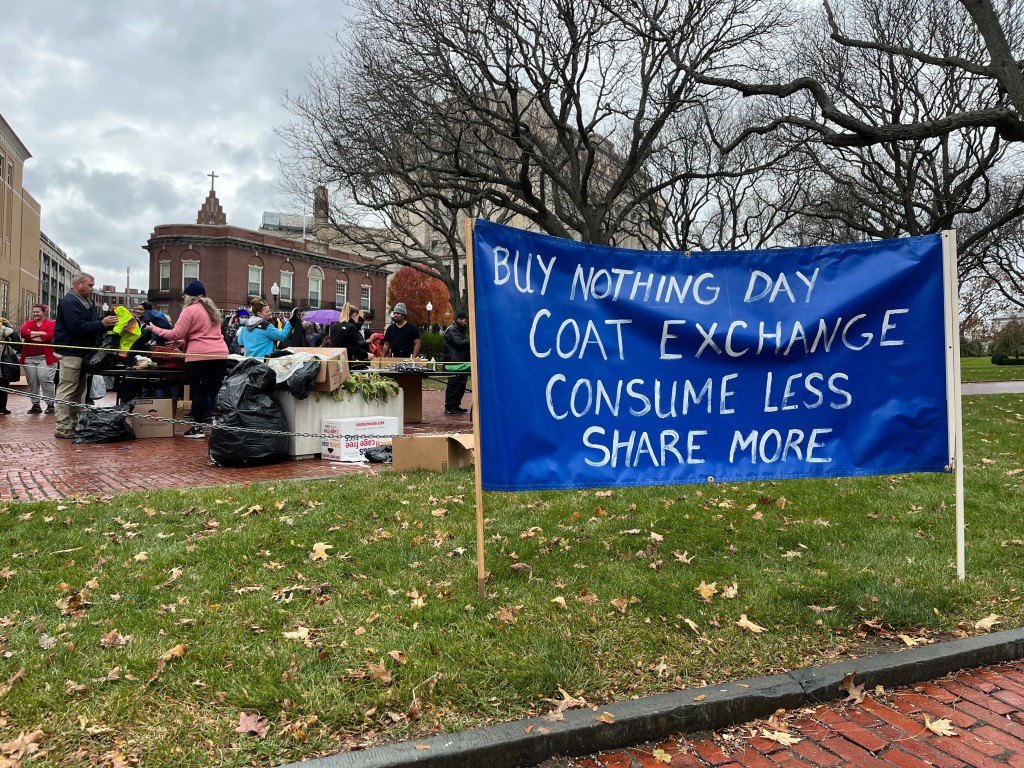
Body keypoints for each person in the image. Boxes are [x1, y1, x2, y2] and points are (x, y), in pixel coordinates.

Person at [147, 280, 229, 439]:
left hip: (199, 356)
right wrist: (183, 343)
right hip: (220, 354)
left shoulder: (190, 310)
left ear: (189, 296)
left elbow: (175, 333)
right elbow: (206, 334)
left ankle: (197, 428)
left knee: (199, 392)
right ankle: (219, 426)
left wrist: (153, 328)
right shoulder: (212, 310)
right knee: (215, 392)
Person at [52, 272, 119, 438]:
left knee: (78, 390)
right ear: (78, 284)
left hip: (82, 352)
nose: (92, 288)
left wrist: (108, 321)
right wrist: (102, 324)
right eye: (90, 285)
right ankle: (63, 427)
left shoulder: (86, 302)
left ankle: (73, 424)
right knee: (68, 389)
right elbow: (77, 327)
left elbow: (92, 322)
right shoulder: (70, 302)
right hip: (71, 352)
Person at [20, 304, 57, 414]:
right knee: (32, 381)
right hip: (29, 358)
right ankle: (35, 405)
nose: (35, 314)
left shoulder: (51, 324)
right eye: (34, 312)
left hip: (45, 358)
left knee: (45, 378)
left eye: (38, 312)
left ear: (44, 312)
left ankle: (50, 405)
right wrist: (41, 333)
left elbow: (49, 337)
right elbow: (23, 333)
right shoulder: (29, 323)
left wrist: (31, 336)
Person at [442, 311, 471, 415]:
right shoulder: (451, 330)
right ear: (459, 319)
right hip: (453, 362)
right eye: (465, 321)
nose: (466, 323)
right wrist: (472, 340)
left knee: (461, 384)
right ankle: (449, 407)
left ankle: (456, 405)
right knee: (453, 384)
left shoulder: (460, 330)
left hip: (462, 362)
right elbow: (458, 343)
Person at [0, 318, 23, 416]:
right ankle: (2, 407)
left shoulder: (4, 326)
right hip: (3, 360)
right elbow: (18, 346)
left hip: (2, 359)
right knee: (3, 384)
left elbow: (18, 345)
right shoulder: (5, 326)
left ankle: (2, 407)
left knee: (3, 383)